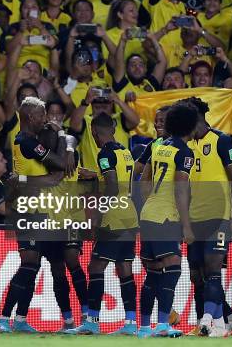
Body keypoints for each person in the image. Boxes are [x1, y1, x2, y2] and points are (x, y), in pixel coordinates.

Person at [0, 96, 71, 333]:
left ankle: (20, 319)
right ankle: (3, 318)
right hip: (28, 211)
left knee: (42, 265)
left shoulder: (28, 140)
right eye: (41, 115)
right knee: (29, 264)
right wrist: (61, 135)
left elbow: (57, 173)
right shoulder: (26, 142)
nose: (45, 119)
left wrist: (31, 180)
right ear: (31, 117)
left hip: (41, 210)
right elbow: (59, 167)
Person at [68, 112, 139, 335]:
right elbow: (112, 176)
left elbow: (112, 186)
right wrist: (91, 175)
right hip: (130, 215)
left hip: (114, 217)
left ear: (95, 133)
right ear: (113, 129)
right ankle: (129, 323)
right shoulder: (124, 151)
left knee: (95, 267)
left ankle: (92, 322)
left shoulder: (104, 153)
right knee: (124, 268)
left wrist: (98, 216)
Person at [181, 97, 232, 337]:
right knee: (197, 275)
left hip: (219, 216)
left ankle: (210, 323)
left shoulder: (221, 140)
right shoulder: (185, 146)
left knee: (213, 268)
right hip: (194, 219)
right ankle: (221, 319)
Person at [138, 102, 198, 338]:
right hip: (166, 217)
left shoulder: (158, 146)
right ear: (189, 126)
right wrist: (186, 226)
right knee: (172, 270)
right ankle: (162, 324)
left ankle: (143, 328)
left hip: (149, 214)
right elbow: (180, 191)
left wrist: (149, 201)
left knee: (153, 274)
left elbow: (143, 178)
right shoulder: (185, 152)